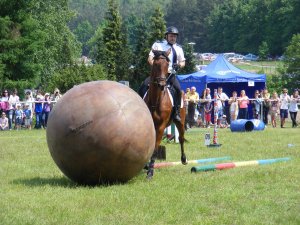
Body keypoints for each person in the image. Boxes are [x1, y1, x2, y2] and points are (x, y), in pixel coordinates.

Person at [139, 26, 186, 122]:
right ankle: (138, 108)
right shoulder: (158, 44)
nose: (173, 38)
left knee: (178, 90)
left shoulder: (178, 48)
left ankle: (176, 113)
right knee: (143, 85)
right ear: (166, 36)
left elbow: (183, 62)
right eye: (171, 36)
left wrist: (178, 65)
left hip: (170, 75)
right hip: (156, 75)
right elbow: (150, 59)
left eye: (175, 36)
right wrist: (157, 68)